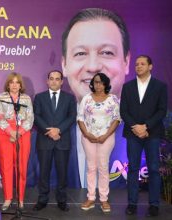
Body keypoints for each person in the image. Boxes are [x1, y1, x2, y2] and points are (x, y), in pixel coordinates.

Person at [61, 8, 131, 188]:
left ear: (127, 62)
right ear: (64, 65)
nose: (93, 67)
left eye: (107, 52)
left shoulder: (154, 131)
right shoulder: (40, 139)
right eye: (80, 53)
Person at [120, 55, 167, 217]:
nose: (138, 66)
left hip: (152, 133)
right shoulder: (127, 87)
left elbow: (161, 110)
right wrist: (136, 127)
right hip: (133, 133)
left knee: (153, 169)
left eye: (142, 64)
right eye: (137, 64)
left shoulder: (160, 86)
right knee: (132, 168)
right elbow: (123, 111)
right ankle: (132, 203)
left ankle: (154, 204)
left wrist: (146, 126)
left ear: (150, 66)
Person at [33, 70, 76, 212]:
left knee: (62, 172)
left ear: (62, 81)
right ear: (47, 81)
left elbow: (72, 116)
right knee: (43, 172)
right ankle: (42, 199)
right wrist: (50, 131)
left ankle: (62, 200)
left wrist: (58, 130)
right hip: (45, 140)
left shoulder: (69, 98)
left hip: (62, 140)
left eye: (57, 79)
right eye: (51, 79)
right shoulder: (39, 97)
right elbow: (36, 116)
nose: (54, 81)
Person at [77, 73, 120, 213]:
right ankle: (90, 198)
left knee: (103, 167)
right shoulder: (86, 99)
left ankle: (103, 199)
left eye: (101, 82)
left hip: (106, 138)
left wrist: (106, 135)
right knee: (91, 167)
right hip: (88, 137)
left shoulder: (113, 99)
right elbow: (80, 117)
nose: (98, 85)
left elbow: (116, 119)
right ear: (92, 84)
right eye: (96, 82)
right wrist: (87, 134)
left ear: (106, 84)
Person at [0, 72, 34, 211]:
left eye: (17, 82)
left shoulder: (26, 98)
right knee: (6, 166)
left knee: (21, 166)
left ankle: (20, 198)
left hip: (22, 133)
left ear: (20, 85)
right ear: (8, 84)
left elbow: (30, 118)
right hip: (5, 133)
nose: (14, 85)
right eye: (12, 82)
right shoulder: (1, 97)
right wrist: (10, 132)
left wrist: (19, 132)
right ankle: (7, 198)